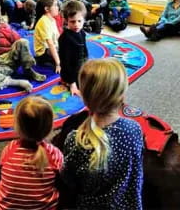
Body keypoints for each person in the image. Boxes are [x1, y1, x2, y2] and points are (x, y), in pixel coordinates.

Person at [61, 58, 144, 210]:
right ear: (122, 95)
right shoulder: (135, 129)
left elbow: (69, 180)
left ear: (84, 98)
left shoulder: (76, 139)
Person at [0, 96, 63, 209]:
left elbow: (4, 171)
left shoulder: (10, 148)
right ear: (49, 127)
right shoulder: (54, 154)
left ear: (17, 126)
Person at [0, 7, 46, 93]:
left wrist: (20, 54)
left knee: (23, 42)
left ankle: (28, 70)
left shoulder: (5, 29)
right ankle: (17, 82)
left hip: (11, 57)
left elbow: (19, 42)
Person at [58, 0, 88, 96]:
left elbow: (84, 50)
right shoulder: (64, 38)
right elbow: (65, 63)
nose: (76, 25)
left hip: (81, 67)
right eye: (72, 21)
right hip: (70, 72)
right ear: (66, 21)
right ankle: (67, 82)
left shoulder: (82, 33)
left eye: (79, 21)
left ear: (84, 20)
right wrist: (72, 83)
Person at [34, 0, 61, 72]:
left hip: (54, 47)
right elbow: (50, 44)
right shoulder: (44, 22)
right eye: (55, 5)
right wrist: (58, 63)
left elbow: (58, 37)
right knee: (66, 62)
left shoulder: (52, 20)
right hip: (43, 52)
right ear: (47, 9)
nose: (57, 7)